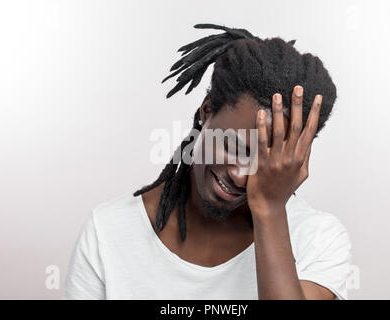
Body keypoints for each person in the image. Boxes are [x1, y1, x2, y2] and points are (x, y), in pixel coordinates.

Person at [64, 24, 352, 300]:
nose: (240, 177)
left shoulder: (317, 237)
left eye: (264, 161)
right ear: (207, 110)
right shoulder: (109, 230)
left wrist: (270, 210)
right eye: (233, 147)